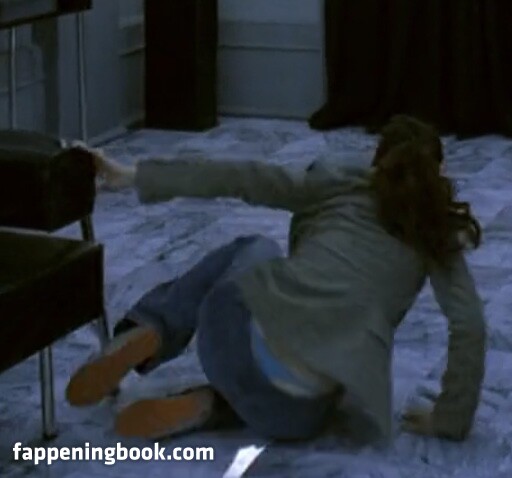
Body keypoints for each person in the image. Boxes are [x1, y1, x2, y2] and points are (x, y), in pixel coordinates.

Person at [66, 115, 486, 442]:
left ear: (377, 161)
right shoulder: (436, 234)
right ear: (438, 173)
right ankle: (211, 405)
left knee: (255, 248)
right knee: (328, 385)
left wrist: (132, 174)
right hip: (297, 415)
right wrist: (448, 421)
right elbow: (470, 325)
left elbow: (240, 176)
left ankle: (154, 329)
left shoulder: (337, 184)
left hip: (231, 338)